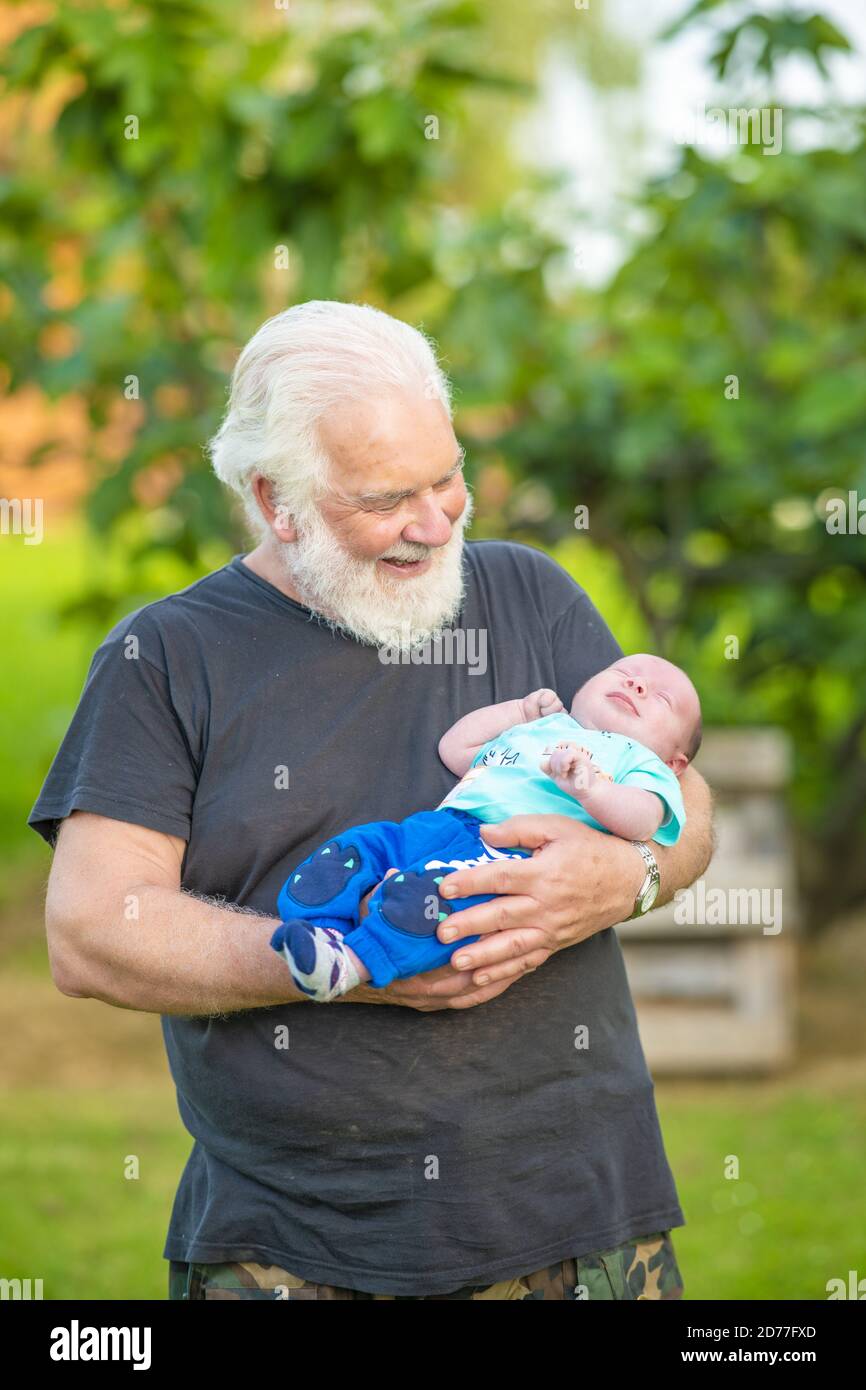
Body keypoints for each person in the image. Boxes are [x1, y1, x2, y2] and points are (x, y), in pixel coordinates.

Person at [30, 300, 714, 1300]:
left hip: (584, 1229)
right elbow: (91, 932)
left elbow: (680, 801)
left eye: (449, 477)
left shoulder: (529, 593)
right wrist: (333, 967)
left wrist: (624, 876)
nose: (437, 522)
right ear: (276, 501)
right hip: (293, 1250)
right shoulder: (165, 658)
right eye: (388, 497)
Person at [272, 654, 701, 1002]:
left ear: (675, 762)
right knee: (362, 848)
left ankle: (353, 964)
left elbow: (644, 819)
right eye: (624, 673)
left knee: (437, 898)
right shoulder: (543, 728)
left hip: (508, 851)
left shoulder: (642, 763)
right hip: (440, 824)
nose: (637, 685)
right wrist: (519, 711)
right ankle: (320, 927)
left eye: (661, 698)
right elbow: (456, 748)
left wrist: (591, 787)